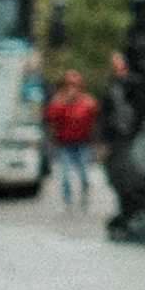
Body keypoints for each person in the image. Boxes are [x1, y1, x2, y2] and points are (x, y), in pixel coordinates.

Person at [42, 68, 99, 208]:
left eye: (74, 85)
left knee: (84, 173)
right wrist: (61, 102)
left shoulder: (87, 102)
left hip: (82, 144)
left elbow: (96, 118)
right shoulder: (59, 102)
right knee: (65, 175)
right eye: (68, 85)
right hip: (65, 144)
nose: (71, 88)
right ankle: (68, 201)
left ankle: (84, 196)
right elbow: (49, 118)